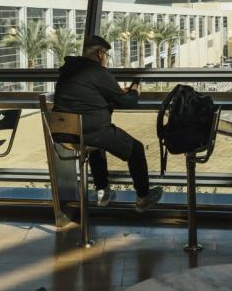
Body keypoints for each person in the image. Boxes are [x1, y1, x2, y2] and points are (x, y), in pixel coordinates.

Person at [53, 35, 163, 212]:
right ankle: (143, 197)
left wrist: (115, 93)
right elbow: (128, 102)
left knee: (97, 146)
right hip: (89, 132)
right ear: (100, 53)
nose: (106, 60)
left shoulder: (68, 70)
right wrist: (134, 91)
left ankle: (103, 191)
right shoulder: (98, 72)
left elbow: (86, 95)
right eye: (107, 56)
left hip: (63, 133)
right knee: (136, 149)